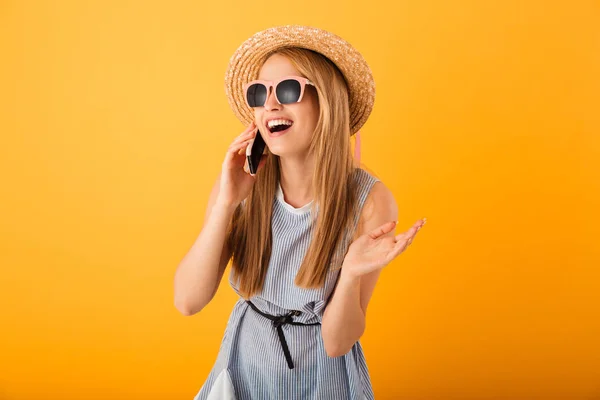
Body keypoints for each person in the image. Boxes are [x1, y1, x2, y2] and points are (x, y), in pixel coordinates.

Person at [174, 25, 426, 400]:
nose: (271, 105)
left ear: (325, 102)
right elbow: (187, 301)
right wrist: (225, 203)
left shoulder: (370, 201)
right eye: (260, 93)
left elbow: (338, 343)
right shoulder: (242, 182)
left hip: (324, 381)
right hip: (245, 369)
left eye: (288, 90)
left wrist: (352, 274)